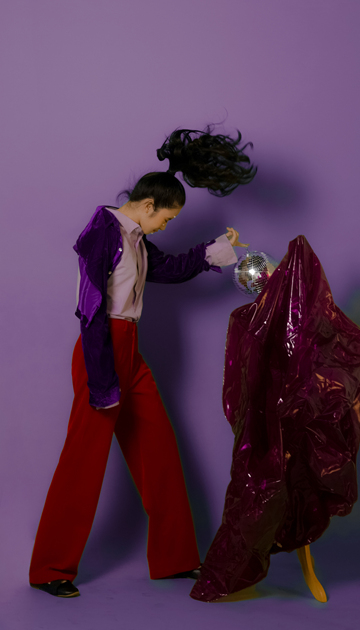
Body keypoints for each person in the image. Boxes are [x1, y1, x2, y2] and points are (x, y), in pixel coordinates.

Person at [29, 126, 256, 598]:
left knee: (159, 453)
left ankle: (175, 560)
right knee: (83, 460)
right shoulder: (102, 231)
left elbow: (167, 269)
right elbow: (91, 306)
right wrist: (101, 378)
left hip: (131, 351)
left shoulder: (135, 237)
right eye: (166, 220)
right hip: (101, 350)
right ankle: (49, 568)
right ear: (148, 205)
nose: (165, 227)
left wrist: (215, 250)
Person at [190, 235, 360, 603]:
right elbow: (248, 381)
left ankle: (279, 561)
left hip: (293, 417)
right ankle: (248, 564)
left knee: (292, 484)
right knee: (272, 488)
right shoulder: (256, 321)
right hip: (273, 422)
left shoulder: (289, 315)